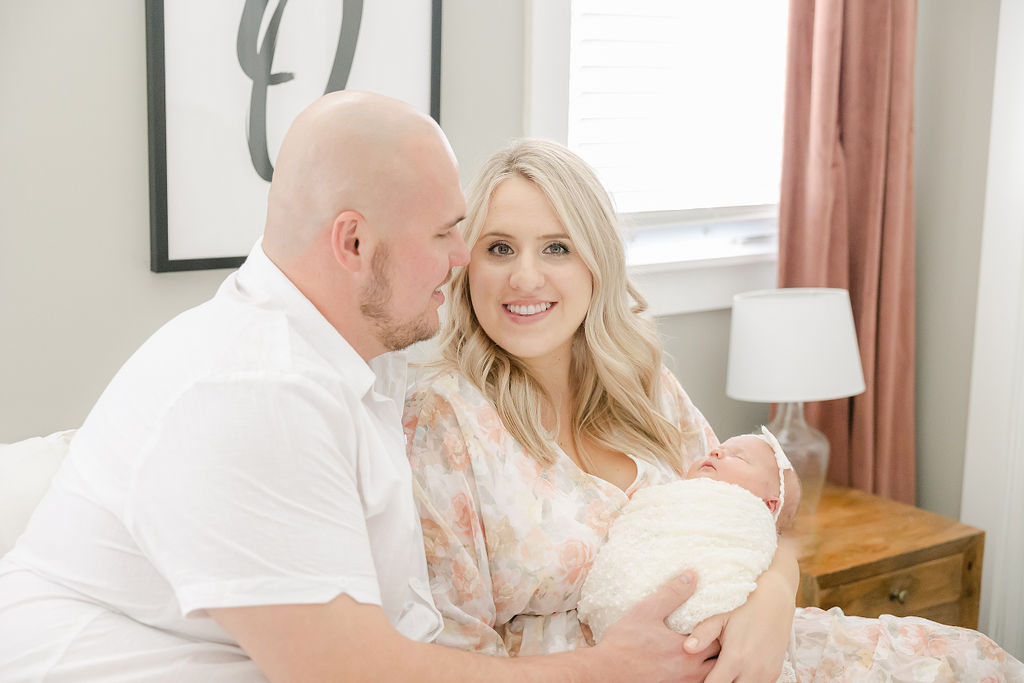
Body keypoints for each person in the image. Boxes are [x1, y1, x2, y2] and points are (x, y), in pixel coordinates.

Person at [0, 93, 705, 683]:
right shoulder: (250, 394)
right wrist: (605, 666)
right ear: (354, 243)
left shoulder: (358, 355)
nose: (464, 262)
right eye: (446, 234)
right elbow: (354, 672)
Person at [404, 137, 1024, 682]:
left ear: (597, 262)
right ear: (466, 265)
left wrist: (773, 603)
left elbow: (751, 524)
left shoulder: (645, 387)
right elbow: (455, 653)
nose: (525, 278)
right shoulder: (442, 420)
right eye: (501, 248)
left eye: (557, 248)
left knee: (973, 661)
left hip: (749, 656)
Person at [579, 427, 801, 683]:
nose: (716, 451)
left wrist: (777, 589)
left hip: (718, 637)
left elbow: (762, 549)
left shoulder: (743, 516)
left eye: (737, 457)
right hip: (613, 648)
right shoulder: (667, 499)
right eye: (718, 450)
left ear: (767, 505)